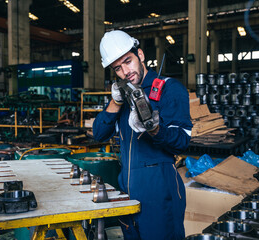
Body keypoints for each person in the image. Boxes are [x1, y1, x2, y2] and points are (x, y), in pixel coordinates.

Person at [93, 30, 192, 240]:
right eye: (117, 68)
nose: (125, 72)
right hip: (128, 190)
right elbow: (99, 134)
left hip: (159, 191)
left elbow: (182, 142)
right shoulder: (123, 95)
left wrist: (155, 129)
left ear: (140, 54)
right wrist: (116, 102)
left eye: (128, 61)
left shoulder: (169, 88)